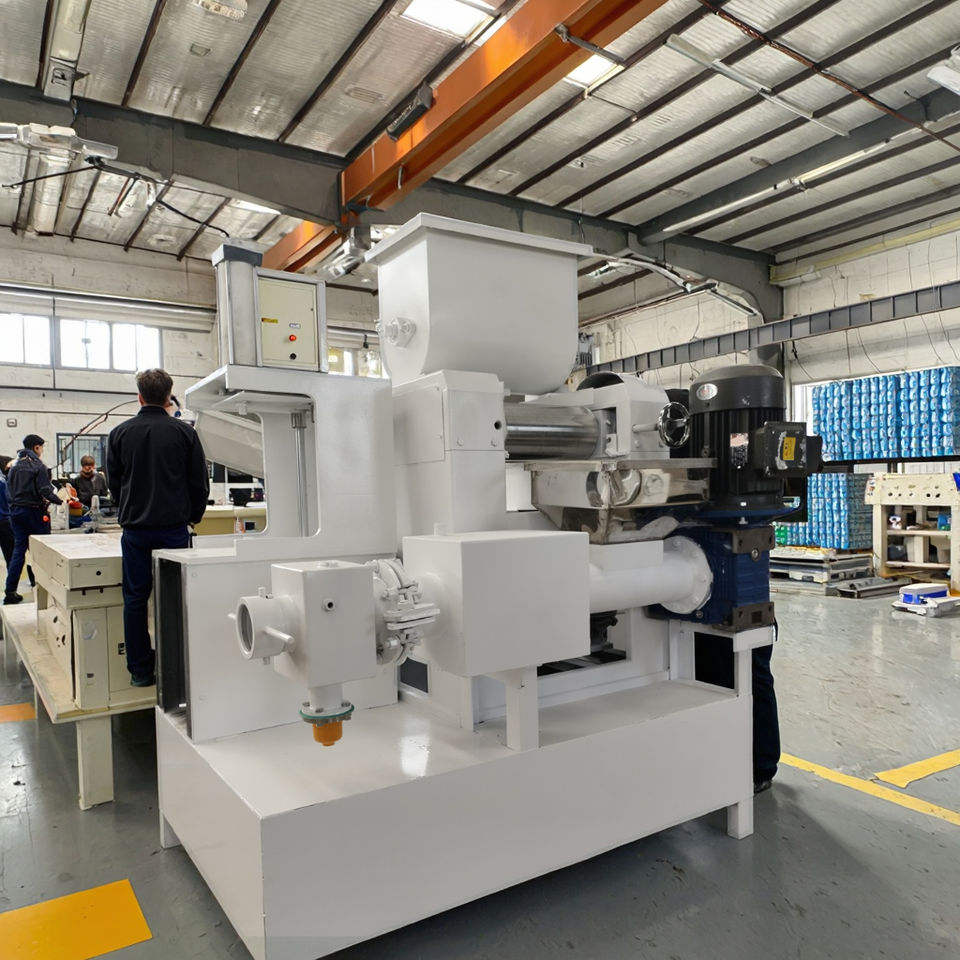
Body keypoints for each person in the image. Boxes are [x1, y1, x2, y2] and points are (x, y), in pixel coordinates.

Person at [107, 369, 209, 686]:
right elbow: (199, 482)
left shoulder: (119, 434)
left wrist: (128, 509)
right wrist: (193, 517)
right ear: (168, 397)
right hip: (174, 530)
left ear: (139, 397)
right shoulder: (185, 434)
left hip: (136, 531)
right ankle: (175, 668)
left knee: (136, 599)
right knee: (175, 598)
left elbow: (114, 484)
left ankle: (140, 671)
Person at [3, 436, 64, 605]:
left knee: (18, 551)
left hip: (16, 512)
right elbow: (45, 490)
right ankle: (44, 588)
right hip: (34, 513)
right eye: (42, 448)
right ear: (37, 447)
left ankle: (10, 591)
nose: (42, 451)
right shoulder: (38, 466)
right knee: (42, 551)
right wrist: (62, 500)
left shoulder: (14, 466)